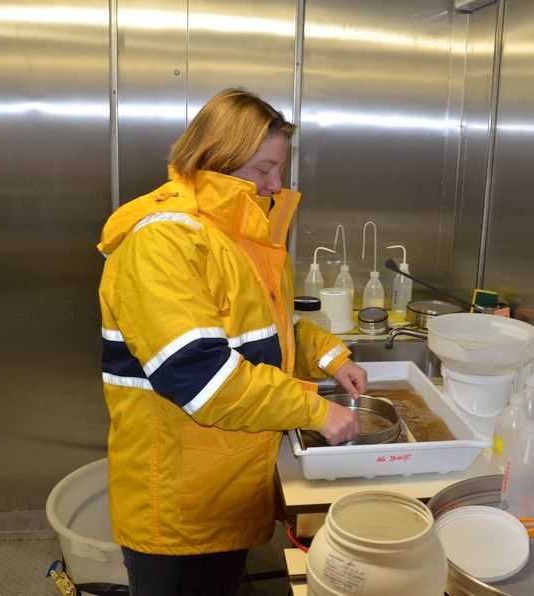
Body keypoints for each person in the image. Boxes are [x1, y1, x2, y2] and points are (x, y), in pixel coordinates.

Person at [96, 88, 367, 595]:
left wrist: (329, 356)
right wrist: (314, 411)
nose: (276, 184)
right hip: (177, 496)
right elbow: (202, 376)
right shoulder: (165, 242)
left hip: (227, 477)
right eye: (264, 169)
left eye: (279, 169)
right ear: (217, 159)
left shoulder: (243, 235)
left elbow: (272, 327)